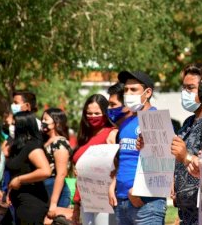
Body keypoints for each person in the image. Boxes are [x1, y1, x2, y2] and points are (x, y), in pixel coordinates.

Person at [110, 70, 166, 225]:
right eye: (126, 90)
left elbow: (164, 163)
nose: (128, 94)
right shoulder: (126, 123)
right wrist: (113, 186)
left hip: (146, 203)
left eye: (133, 90)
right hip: (122, 201)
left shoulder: (156, 119)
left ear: (147, 92)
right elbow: (124, 159)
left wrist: (139, 192)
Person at [170, 64, 202, 225]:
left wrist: (185, 156)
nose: (185, 93)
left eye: (190, 88)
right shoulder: (187, 122)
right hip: (185, 212)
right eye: (183, 88)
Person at [71, 94, 117, 225]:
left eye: (97, 113)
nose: (92, 117)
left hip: (105, 196)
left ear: (105, 113)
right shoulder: (84, 136)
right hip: (86, 197)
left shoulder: (112, 133)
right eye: (89, 113)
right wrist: (76, 204)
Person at [5, 111, 51, 224]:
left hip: (31, 203)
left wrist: (20, 180)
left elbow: (45, 171)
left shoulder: (33, 146)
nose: (11, 127)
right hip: (18, 202)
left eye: (14, 124)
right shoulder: (17, 147)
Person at [41, 108, 72, 219]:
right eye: (42, 119)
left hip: (55, 189)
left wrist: (53, 203)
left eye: (46, 119)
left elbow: (61, 174)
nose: (42, 122)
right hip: (45, 187)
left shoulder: (60, 142)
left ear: (57, 122)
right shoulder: (45, 141)